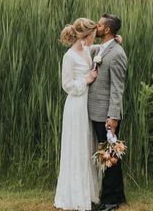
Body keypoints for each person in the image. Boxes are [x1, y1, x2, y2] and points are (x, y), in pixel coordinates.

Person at [54, 18, 101, 211]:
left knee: (86, 145)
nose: (94, 39)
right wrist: (87, 80)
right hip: (75, 105)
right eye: (93, 36)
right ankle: (73, 195)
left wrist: (114, 41)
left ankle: (87, 192)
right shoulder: (69, 56)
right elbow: (66, 85)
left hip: (86, 104)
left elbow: (94, 49)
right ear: (85, 35)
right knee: (76, 145)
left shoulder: (86, 49)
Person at [88, 14, 127, 210]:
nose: (97, 26)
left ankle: (111, 199)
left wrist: (113, 117)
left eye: (100, 24)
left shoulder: (117, 54)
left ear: (108, 30)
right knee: (110, 153)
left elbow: (117, 88)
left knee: (109, 154)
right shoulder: (104, 48)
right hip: (96, 110)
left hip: (105, 113)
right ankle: (117, 194)